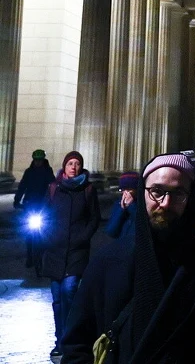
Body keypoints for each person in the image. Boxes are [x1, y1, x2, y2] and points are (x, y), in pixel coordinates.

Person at [61, 154, 195, 364]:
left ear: (192, 198)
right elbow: (78, 343)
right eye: (157, 191)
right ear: (143, 193)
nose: (166, 203)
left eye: (178, 193)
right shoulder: (106, 262)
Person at [42, 151, 101, 358]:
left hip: (77, 251)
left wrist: (82, 238)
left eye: (77, 164)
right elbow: (44, 214)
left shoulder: (87, 190)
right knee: (57, 297)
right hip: (55, 251)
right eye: (70, 163)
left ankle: (71, 338)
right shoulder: (54, 189)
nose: (74, 167)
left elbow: (95, 218)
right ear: (64, 166)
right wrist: (48, 235)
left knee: (69, 291)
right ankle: (60, 340)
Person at [13, 148, 55, 268]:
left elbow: (52, 186)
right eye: (36, 160)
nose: (37, 162)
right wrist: (17, 200)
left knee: (46, 230)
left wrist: (53, 201)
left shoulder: (48, 171)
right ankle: (29, 256)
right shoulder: (29, 172)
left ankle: (42, 254)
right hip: (30, 204)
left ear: (43, 160)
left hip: (42, 205)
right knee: (28, 232)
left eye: (39, 160)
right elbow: (22, 186)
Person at [104, 173, 140, 240]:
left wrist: (131, 206)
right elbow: (111, 231)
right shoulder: (118, 204)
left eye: (129, 190)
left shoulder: (142, 204)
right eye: (123, 190)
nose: (126, 193)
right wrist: (122, 209)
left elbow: (142, 224)